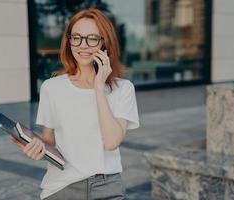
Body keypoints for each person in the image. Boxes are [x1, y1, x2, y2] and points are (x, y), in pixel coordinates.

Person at [10, 7, 139, 200]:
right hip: (62, 186)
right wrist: (37, 147)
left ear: (106, 43)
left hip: (106, 187)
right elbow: (50, 141)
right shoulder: (52, 87)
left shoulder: (123, 89)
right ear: (69, 41)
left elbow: (112, 142)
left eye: (92, 38)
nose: (83, 45)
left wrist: (98, 87)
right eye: (76, 37)